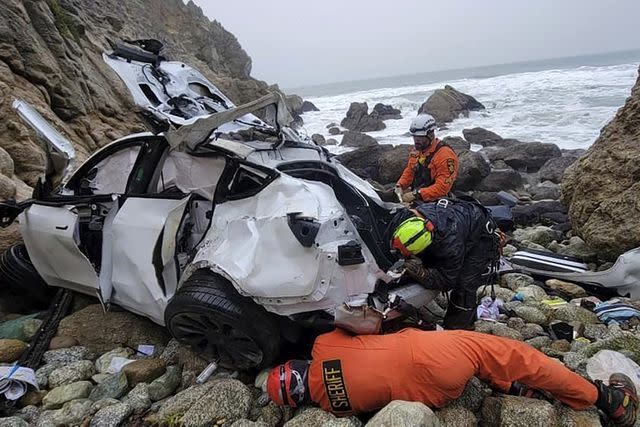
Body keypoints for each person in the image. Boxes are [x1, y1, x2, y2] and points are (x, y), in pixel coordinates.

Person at [264, 328, 638, 426]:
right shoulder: (325, 346)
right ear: (295, 365)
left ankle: (517, 389)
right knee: (518, 356)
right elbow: (366, 324)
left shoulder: (335, 407)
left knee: (482, 368)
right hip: (434, 355)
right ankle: (608, 401)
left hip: (438, 394)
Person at [388, 198, 501, 329]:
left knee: (464, 285)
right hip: (458, 219)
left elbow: (447, 281)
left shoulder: (450, 246)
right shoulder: (409, 218)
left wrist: (422, 273)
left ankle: (458, 328)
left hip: (479, 233)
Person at [396, 113, 459, 203]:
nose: (416, 141)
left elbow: (442, 188)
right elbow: (410, 170)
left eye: (420, 137)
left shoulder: (445, 156)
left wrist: (416, 194)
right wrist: (400, 185)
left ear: (430, 135)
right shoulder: (417, 150)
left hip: (438, 201)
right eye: (414, 137)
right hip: (419, 196)